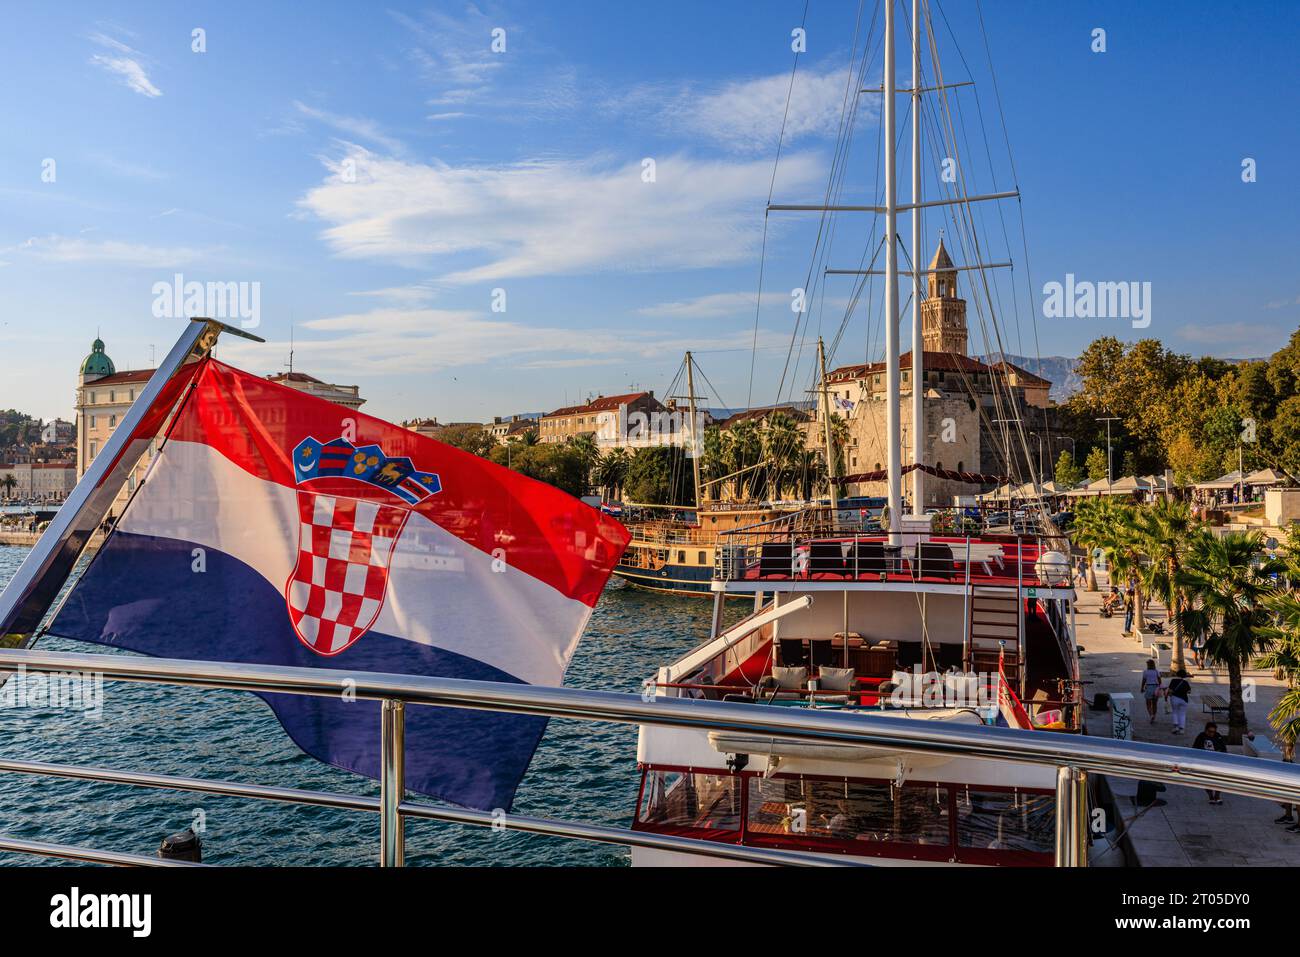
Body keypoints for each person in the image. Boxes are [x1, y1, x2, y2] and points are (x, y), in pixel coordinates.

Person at [1192, 722, 1228, 804]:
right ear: (1206, 730)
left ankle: (1217, 795)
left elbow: (1224, 749)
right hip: (1205, 762)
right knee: (1207, 780)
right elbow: (1194, 748)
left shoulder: (1218, 736)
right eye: (1210, 731)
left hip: (1217, 762)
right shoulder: (1201, 736)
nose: (1212, 733)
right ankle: (1211, 796)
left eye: (1213, 732)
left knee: (1219, 779)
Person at [1166, 669, 1191, 734]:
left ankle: (1175, 727)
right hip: (1184, 699)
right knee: (1182, 714)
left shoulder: (1173, 681)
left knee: (1175, 712)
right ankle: (1182, 729)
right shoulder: (1185, 682)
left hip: (1174, 698)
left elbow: (1170, 690)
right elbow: (1189, 691)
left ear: (1177, 674)